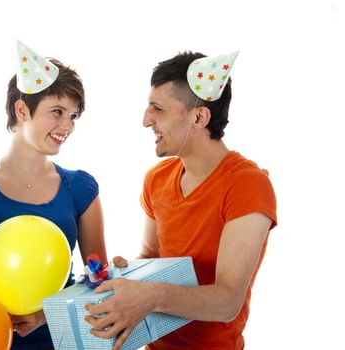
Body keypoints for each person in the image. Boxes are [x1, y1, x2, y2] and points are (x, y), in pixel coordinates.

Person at [84, 51, 277, 350]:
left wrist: (150, 295)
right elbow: (151, 256)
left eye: (157, 108)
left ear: (199, 117)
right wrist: (130, 271)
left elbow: (227, 301)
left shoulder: (248, 185)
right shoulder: (156, 179)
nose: (146, 120)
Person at [0, 40, 107, 350]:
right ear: (22, 110)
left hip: (60, 341)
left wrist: (47, 314)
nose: (67, 126)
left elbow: (98, 275)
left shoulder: (81, 190)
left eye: (73, 116)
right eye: (57, 112)